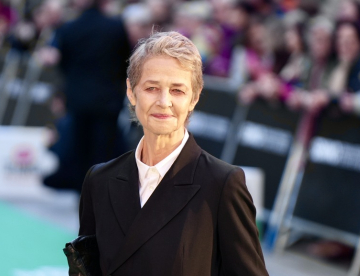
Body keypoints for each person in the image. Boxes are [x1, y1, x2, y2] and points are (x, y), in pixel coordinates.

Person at [78, 31, 268, 276]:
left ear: (194, 97)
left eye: (177, 90)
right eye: (152, 88)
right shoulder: (100, 180)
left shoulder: (222, 184)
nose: (164, 101)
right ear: (131, 91)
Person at [39, 0, 130, 192]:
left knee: (80, 147)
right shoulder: (115, 27)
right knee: (104, 148)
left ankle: (82, 191)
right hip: (107, 99)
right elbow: (125, 62)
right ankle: (101, 191)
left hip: (78, 99)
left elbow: (63, 64)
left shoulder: (69, 28)